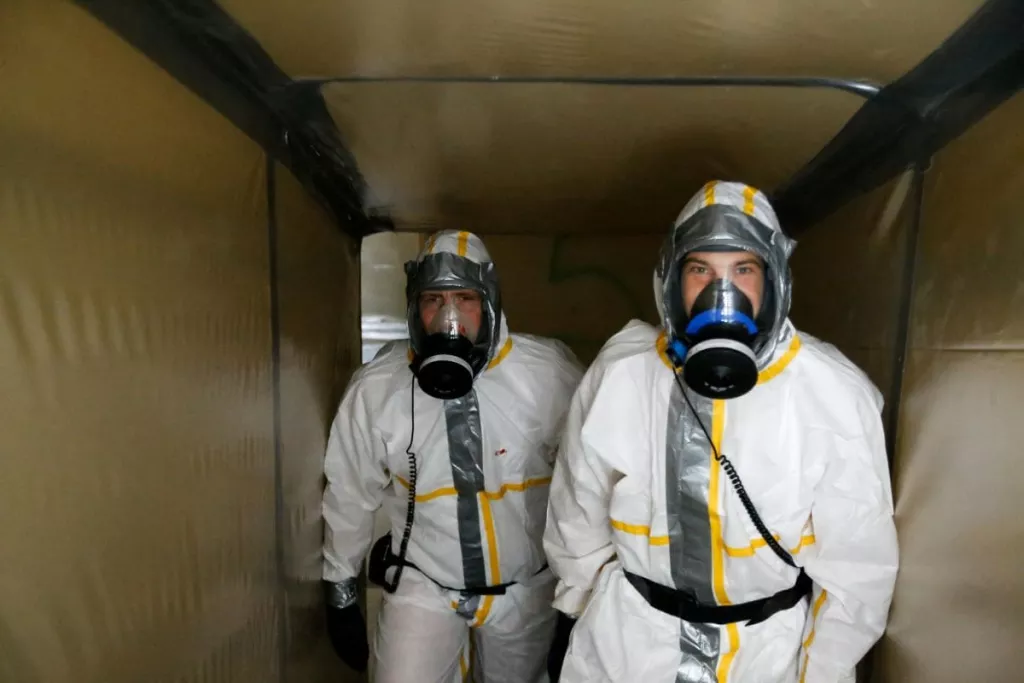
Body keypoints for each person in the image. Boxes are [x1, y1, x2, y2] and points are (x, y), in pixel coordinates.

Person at [543, 181, 899, 683]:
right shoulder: (624, 372)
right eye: (701, 270)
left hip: (766, 652)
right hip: (630, 641)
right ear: (672, 280)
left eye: (743, 270)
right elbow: (576, 507)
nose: (721, 292)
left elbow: (857, 565)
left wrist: (823, 670)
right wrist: (575, 609)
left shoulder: (832, 394)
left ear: (774, 280)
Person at [323, 229, 584, 683]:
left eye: (464, 298)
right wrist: (340, 586)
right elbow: (350, 489)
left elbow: (587, 487)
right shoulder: (379, 388)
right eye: (433, 300)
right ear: (413, 307)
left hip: (525, 590)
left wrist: (578, 597)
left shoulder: (549, 376)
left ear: (489, 302)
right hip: (424, 584)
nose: (448, 317)